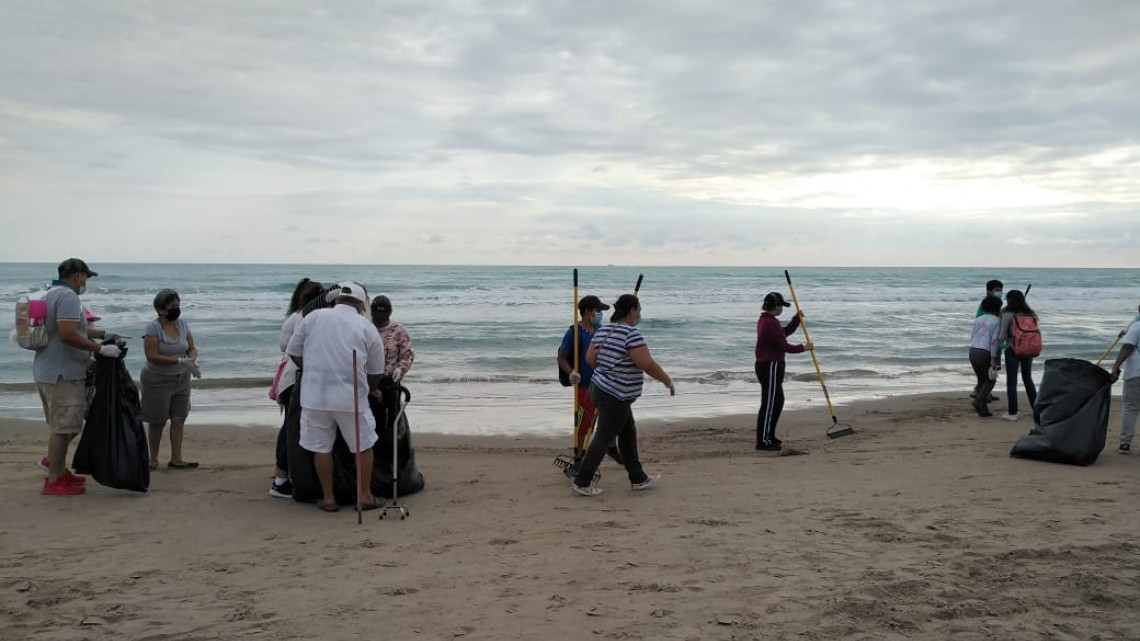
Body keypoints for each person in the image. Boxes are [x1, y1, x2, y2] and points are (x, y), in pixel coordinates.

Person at [287, 281, 386, 512]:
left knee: (321, 447)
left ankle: (329, 497)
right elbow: (376, 371)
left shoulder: (313, 318)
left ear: (336, 300)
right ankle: (364, 495)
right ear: (362, 304)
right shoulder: (365, 326)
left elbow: (293, 351)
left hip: (315, 395)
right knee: (362, 446)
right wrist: (369, 387)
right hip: (349, 397)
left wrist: (311, 368)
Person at [34, 258, 122, 496]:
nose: (86, 282)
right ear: (77, 276)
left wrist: (103, 333)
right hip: (63, 373)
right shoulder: (69, 297)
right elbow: (67, 334)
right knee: (63, 428)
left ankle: (60, 471)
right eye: (86, 277)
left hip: (48, 369)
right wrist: (100, 349)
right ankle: (54, 480)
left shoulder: (49, 294)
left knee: (66, 425)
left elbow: (74, 327)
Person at [571, 294, 673, 496]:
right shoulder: (631, 334)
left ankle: (638, 477)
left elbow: (590, 359)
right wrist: (667, 380)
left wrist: (608, 370)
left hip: (600, 388)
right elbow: (647, 365)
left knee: (627, 432)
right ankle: (582, 481)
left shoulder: (604, 330)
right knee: (603, 436)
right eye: (639, 309)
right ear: (632, 310)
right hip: (615, 394)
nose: (640, 313)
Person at [269, 278, 325, 498]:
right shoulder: (305, 319)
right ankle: (281, 478)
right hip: (295, 381)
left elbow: (284, 346)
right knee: (291, 431)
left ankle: (292, 474)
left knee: (296, 430)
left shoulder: (301, 317)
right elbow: (287, 348)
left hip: (297, 379)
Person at [141, 289, 201, 470]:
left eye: (178, 305)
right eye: (172, 307)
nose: (176, 309)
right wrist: (178, 360)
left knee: (179, 418)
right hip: (157, 380)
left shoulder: (182, 324)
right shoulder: (153, 328)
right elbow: (151, 355)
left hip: (181, 378)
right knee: (157, 421)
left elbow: (191, 347)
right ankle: (152, 459)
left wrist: (190, 359)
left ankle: (177, 458)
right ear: (160, 310)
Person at [556, 294, 614, 470]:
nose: (600, 314)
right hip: (583, 386)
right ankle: (579, 456)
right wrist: (571, 372)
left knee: (602, 419)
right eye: (598, 311)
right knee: (582, 421)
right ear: (588, 311)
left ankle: (610, 449)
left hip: (602, 384)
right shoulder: (574, 332)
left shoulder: (601, 330)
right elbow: (561, 357)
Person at [754, 292, 811, 451]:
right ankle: (763, 441)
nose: (782, 309)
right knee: (769, 403)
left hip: (771, 366)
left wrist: (796, 320)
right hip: (769, 366)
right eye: (781, 306)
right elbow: (784, 346)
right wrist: (803, 348)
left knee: (777, 401)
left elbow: (783, 334)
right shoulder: (769, 323)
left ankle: (769, 435)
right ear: (776, 306)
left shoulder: (768, 321)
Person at [998, 289, 1037, 422]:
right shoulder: (1031, 314)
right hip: (1028, 349)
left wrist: (1001, 346)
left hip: (1012, 350)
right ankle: (1036, 410)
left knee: (1012, 382)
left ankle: (1012, 413)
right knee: (1028, 379)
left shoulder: (1007, 314)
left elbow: (1002, 336)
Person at [1109, 304, 1140, 454]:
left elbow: (1127, 347)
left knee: (1130, 408)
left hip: (1136, 372)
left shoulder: (1136, 327)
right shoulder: (1134, 327)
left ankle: (1125, 443)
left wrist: (1115, 366)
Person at [969, 296, 1003, 417]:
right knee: (990, 380)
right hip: (986, 352)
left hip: (973, 350)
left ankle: (983, 409)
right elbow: (994, 342)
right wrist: (994, 359)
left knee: (981, 380)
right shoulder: (997, 321)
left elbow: (972, 336)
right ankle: (978, 401)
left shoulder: (978, 319)